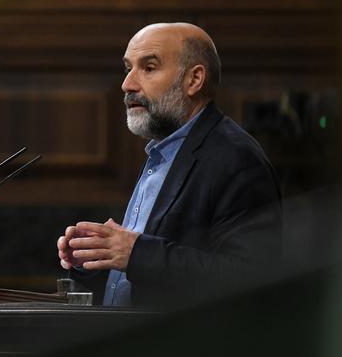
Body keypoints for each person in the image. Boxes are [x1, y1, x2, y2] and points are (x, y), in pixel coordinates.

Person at [57, 22, 282, 307]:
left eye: (148, 68)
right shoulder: (163, 153)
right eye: (129, 69)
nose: (128, 84)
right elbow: (147, 280)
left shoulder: (236, 158)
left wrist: (136, 253)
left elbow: (252, 280)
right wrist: (98, 258)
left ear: (194, 80)